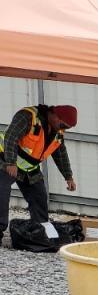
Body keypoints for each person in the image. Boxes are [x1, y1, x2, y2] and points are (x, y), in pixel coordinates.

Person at [1, 103, 77, 241]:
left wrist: (68, 176)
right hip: (4, 159)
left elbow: (60, 153)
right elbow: (11, 137)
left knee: (39, 196)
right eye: (63, 125)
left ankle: (40, 232)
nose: (64, 129)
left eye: (67, 128)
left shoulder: (57, 131)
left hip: (28, 167)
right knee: (1, 191)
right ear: (54, 115)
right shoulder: (27, 117)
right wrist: (10, 162)